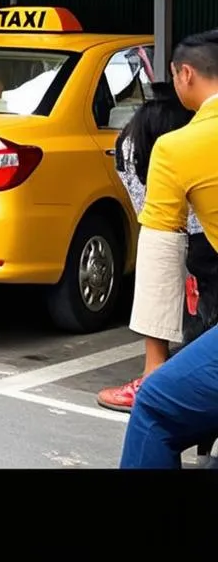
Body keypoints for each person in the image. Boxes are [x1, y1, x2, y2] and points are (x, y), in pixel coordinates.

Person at [119, 32, 218, 468]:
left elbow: (160, 257)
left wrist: (154, 364)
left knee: (156, 409)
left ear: (186, 75)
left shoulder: (178, 148)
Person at [97, 84, 198, 411]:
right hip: (190, 237)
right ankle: (157, 378)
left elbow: (143, 206)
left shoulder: (128, 141)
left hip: (170, 233)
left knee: (157, 237)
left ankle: (154, 376)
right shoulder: (194, 139)